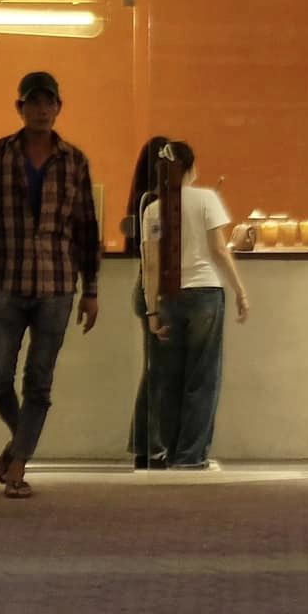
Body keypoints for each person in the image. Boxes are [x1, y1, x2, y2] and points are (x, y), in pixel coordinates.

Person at [0, 71, 101, 500]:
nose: (42, 110)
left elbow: (86, 228)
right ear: (19, 107)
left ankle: (18, 466)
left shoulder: (74, 161)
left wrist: (91, 289)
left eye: (48, 102)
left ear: (59, 107)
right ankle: (21, 439)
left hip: (57, 285)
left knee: (39, 381)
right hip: (9, 280)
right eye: (33, 102)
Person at [140, 141, 249, 470]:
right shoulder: (206, 199)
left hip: (169, 297)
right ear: (190, 167)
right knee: (202, 378)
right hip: (205, 293)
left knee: (169, 379)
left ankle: (173, 453)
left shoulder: (153, 209)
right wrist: (240, 291)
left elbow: (151, 265)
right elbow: (219, 250)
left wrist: (152, 310)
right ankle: (192, 456)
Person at [122, 136, 171, 467]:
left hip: (146, 290)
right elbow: (157, 256)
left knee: (155, 371)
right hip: (157, 292)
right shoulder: (155, 204)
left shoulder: (142, 201)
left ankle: (145, 445)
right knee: (159, 373)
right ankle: (152, 446)